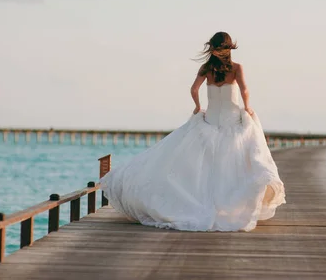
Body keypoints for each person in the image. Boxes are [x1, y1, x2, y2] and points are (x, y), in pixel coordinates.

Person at [100, 31, 285, 231]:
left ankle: (210, 202)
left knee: (204, 168)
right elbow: (244, 90)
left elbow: (194, 89)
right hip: (232, 123)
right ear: (230, 48)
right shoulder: (236, 68)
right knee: (232, 165)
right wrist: (247, 107)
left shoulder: (206, 69)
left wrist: (198, 107)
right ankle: (228, 204)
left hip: (210, 122)